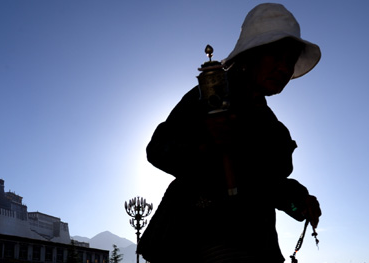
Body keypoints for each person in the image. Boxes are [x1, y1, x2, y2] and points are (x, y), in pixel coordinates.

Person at [137, 3, 322, 263]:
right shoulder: (211, 96)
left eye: (289, 60)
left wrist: (299, 201)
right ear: (251, 55)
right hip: (196, 242)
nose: (284, 67)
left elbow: (268, 185)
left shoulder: (273, 128)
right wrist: (203, 144)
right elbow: (157, 149)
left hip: (254, 243)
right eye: (276, 56)